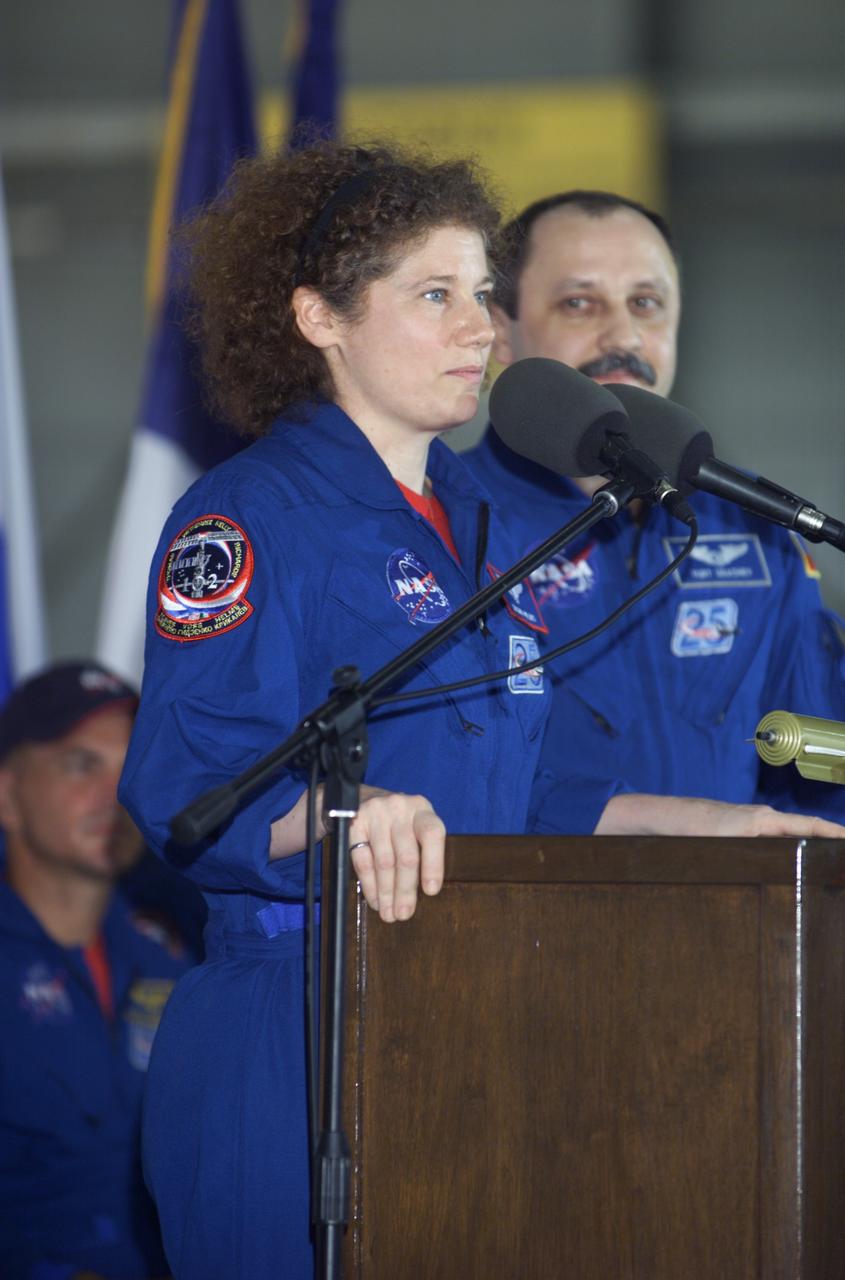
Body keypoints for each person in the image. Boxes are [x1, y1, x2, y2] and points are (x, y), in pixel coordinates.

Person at [118, 139, 555, 1278]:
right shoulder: (247, 515)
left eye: (486, 295)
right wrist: (353, 809)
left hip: (470, 1011)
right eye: (435, 294)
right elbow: (188, 798)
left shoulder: (495, 526)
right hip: (291, 1020)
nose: (483, 328)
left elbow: (545, 788)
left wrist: (739, 830)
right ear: (319, 317)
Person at [462, 190, 845, 836]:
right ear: (501, 328)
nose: (623, 337)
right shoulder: (446, 519)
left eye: (646, 303)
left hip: (738, 923)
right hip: (512, 917)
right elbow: (425, 776)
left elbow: (817, 753)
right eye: (578, 303)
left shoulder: (747, 522)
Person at [0, 660, 194, 1280]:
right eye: (83, 765)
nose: (116, 793)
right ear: (7, 794)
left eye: (129, 766)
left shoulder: (179, 954)